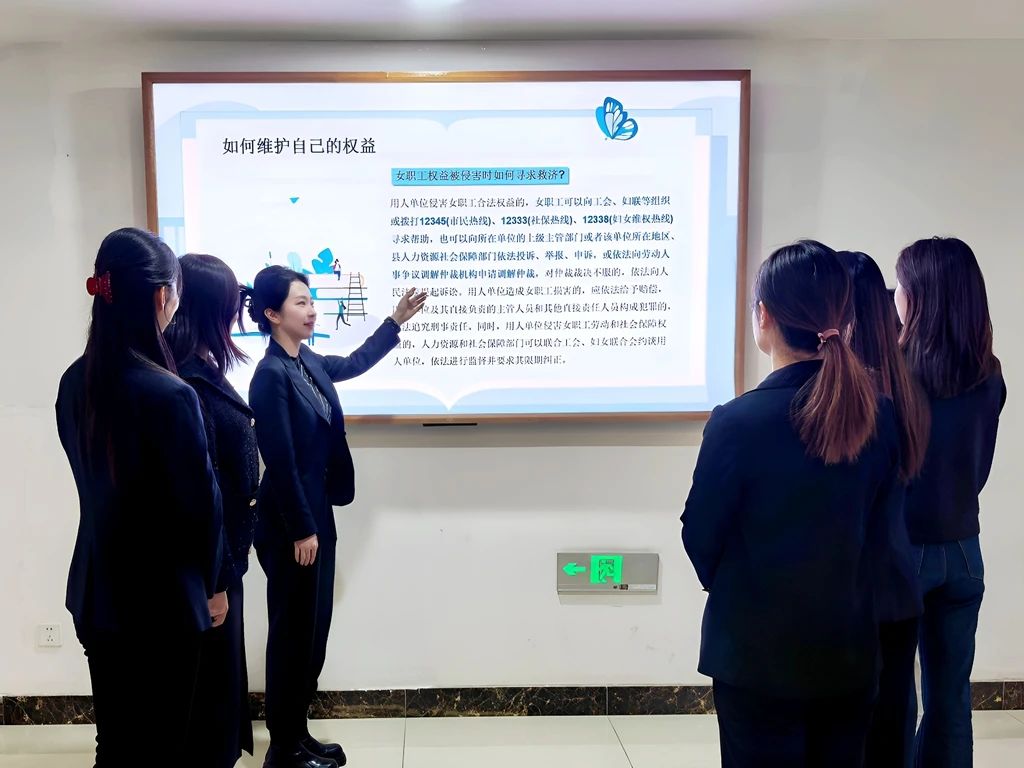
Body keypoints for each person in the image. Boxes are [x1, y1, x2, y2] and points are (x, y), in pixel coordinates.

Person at [681, 240, 902, 768]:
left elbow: (700, 535)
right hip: (847, 651)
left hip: (755, 656)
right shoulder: (880, 417)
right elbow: (881, 530)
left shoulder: (737, 422)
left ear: (764, 317)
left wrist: (740, 590)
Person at [55, 228, 223, 766]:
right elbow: (200, 510)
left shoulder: (74, 382)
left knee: (116, 745)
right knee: (163, 748)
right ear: (161, 296)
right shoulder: (171, 394)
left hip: (97, 592)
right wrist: (215, 584)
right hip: (162, 602)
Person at [247, 266, 426, 768]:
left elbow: (354, 361)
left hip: (316, 513)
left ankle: (298, 734)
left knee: (313, 633)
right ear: (272, 313)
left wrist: (394, 322)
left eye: (311, 301)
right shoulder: (269, 376)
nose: (311, 310)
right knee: (292, 634)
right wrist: (302, 528)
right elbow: (279, 460)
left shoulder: (307, 362)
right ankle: (282, 747)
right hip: (291, 524)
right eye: (300, 302)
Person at [895, 237, 1006, 767]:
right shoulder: (989, 374)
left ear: (920, 296)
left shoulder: (895, 373)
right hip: (965, 548)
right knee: (952, 698)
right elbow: (977, 468)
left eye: (901, 286)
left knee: (896, 697)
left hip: (904, 549)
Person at [166, 253, 259, 767]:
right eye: (232, 301)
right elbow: (202, 491)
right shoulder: (183, 379)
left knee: (219, 697)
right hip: (207, 570)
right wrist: (217, 579)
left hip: (222, 562)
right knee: (208, 708)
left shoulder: (200, 368)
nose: (239, 311)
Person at [839, 250, 930, 768]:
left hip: (852, 594)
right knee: (891, 734)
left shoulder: (853, 402)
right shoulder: (907, 388)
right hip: (896, 589)